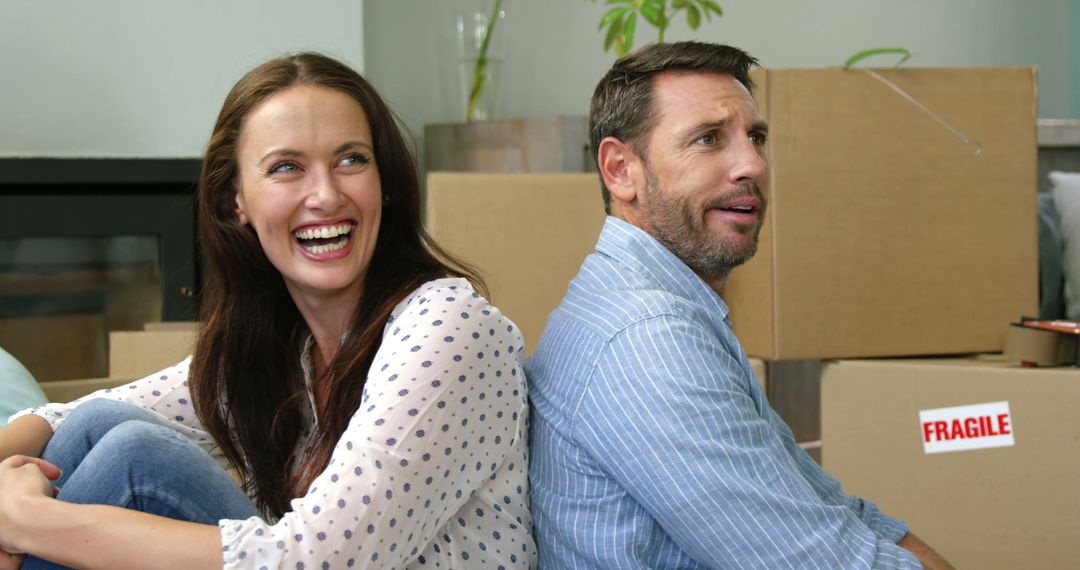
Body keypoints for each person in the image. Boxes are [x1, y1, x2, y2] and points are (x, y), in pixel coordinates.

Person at [0, 52, 536, 570]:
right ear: (237, 201)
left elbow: (319, 561)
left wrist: (27, 519)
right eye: (286, 167)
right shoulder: (289, 354)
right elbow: (70, 419)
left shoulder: (449, 326)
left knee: (136, 458)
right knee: (100, 425)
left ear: (385, 183)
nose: (325, 195)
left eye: (351, 159)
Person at [525, 41, 952, 569]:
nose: (752, 164)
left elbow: (833, 509)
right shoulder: (647, 339)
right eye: (708, 139)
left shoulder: (673, 309)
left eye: (756, 137)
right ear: (620, 171)